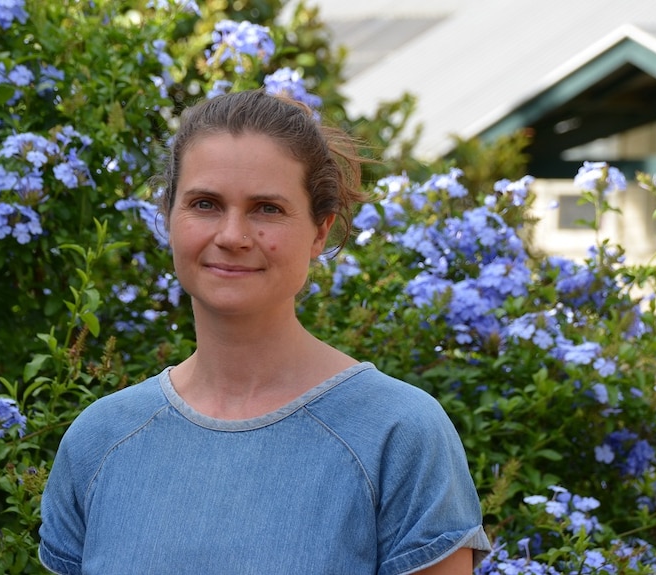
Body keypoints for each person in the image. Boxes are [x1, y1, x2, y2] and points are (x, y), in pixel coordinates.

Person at [38, 89, 491, 574]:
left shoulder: (398, 435)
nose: (232, 236)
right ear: (168, 216)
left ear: (321, 231)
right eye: (205, 203)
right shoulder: (100, 439)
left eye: (267, 209)